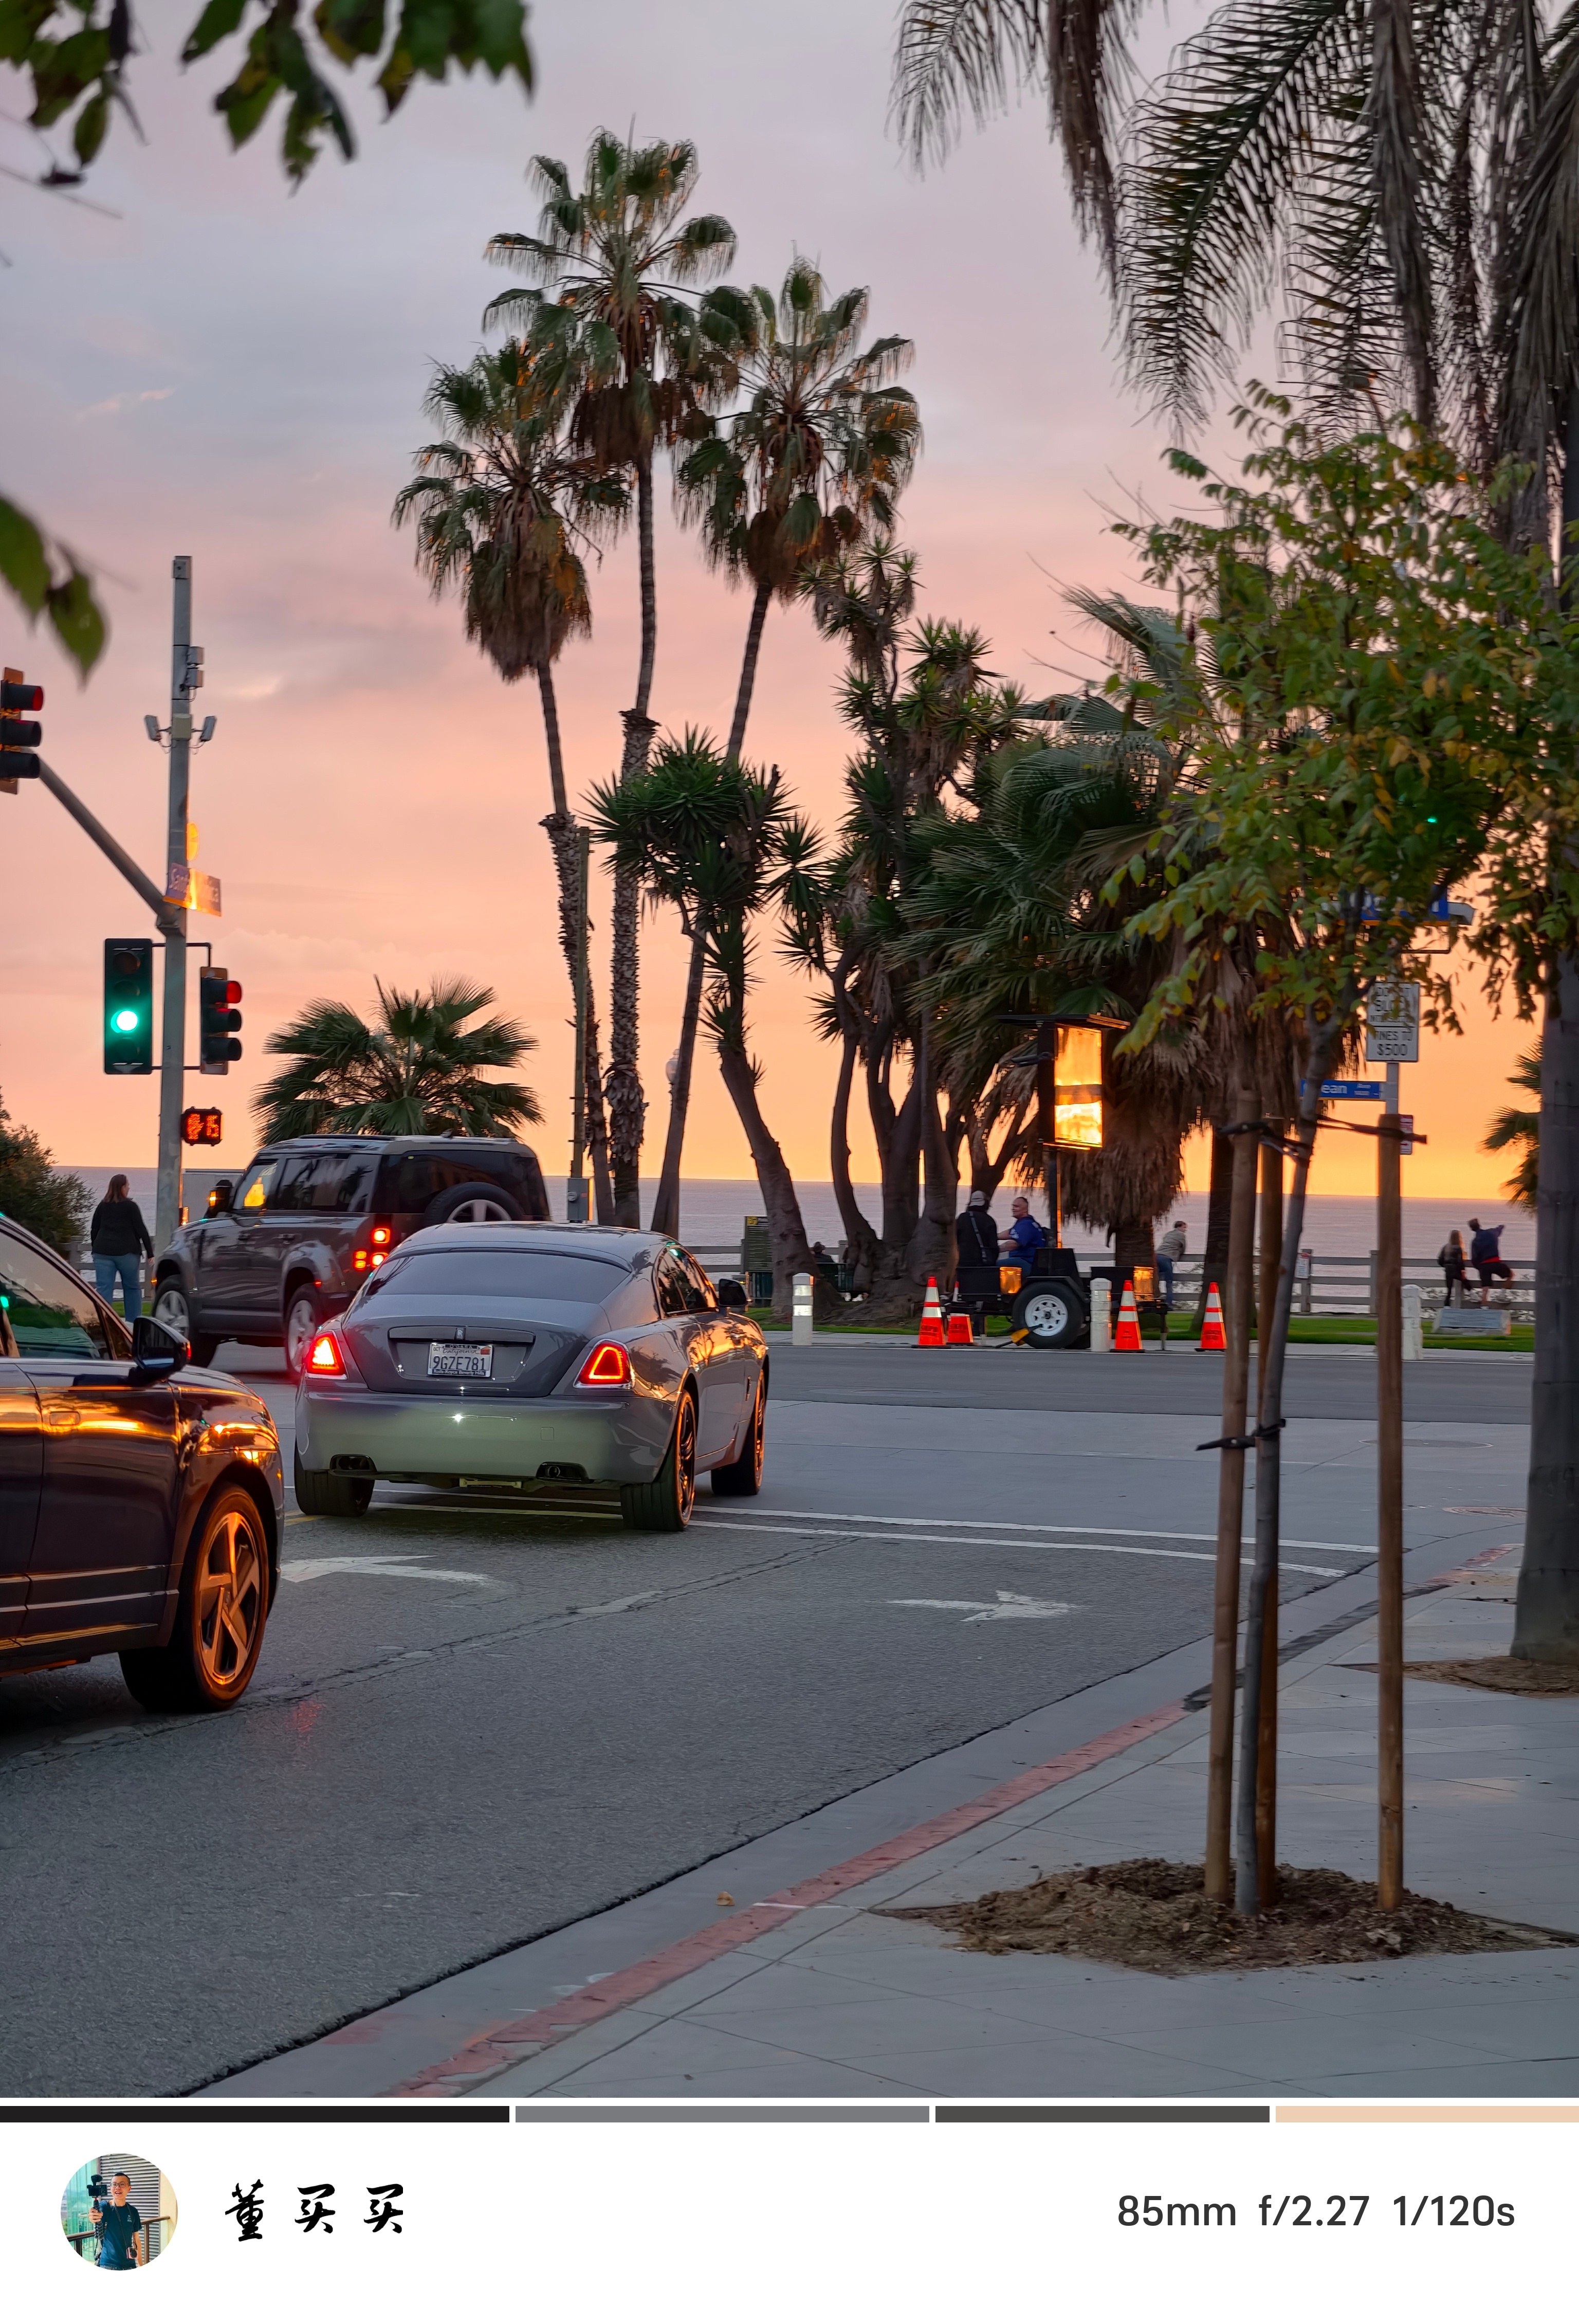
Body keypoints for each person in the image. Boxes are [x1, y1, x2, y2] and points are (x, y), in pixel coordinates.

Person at [89, 1175, 153, 1320]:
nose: (129, 1187)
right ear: (122, 1187)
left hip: (103, 1252)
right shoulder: (131, 1207)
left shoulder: (102, 1206)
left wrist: (95, 1247)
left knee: (104, 1289)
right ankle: (133, 1322)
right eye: (127, 1185)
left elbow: (94, 1229)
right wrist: (150, 1253)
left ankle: (104, 1322)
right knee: (132, 1288)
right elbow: (141, 1229)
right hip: (127, 1253)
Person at [90, 2172, 143, 2271]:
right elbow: (96, 2215)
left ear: (129, 2188)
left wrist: (140, 2264)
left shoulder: (133, 2211)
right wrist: (93, 2216)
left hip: (130, 2264)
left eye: (122, 2184)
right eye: (114, 2184)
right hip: (108, 2265)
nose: (118, 2187)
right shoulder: (105, 2207)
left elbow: (136, 2239)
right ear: (110, 2188)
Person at [1467, 1217, 1513, 1305]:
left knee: (1485, 1289)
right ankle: (1502, 1294)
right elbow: (1499, 1230)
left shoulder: (1475, 1241)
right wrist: (1501, 1227)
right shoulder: (1491, 1233)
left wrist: (1480, 1268)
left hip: (1484, 1266)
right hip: (1495, 1262)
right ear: (1479, 1225)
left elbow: (1474, 1258)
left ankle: (1484, 1307)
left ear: (1472, 1229)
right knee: (1510, 1275)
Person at [999, 1194, 1048, 1268]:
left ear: (1025, 1210)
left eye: (1017, 1207)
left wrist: (995, 1250)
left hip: (1026, 1261)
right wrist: (992, 1236)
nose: (1013, 1209)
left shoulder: (1027, 1225)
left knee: (992, 1266)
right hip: (1023, 1260)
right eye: (1013, 1206)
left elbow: (1014, 1244)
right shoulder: (1025, 1222)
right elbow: (1010, 1233)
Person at [1156, 1219, 1187, 1302]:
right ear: (1179, 1227)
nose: (1185, 1230)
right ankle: (1169, 1303)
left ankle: (1156, 1299)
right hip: (1166, 1258)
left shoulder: (1168, 1234)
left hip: (1157, 1255)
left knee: (1156, 1280)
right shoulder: (1181, 1235)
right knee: (1169, 1282)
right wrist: (1178, 1254)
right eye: (1184, 1228)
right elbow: (1183, 1248)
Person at [1438, 1228, 1467, 1306]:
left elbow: (1440, 1260)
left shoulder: (1446, 1247)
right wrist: (1463, 1270)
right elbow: (1460, 1261)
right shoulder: (1458, 1248)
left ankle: (1447, 1306)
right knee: (1465, 1282)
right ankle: (1472, 1294)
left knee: (1449, 1290)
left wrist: (1445, 1266)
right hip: (1456, 1270)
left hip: (1448, 1271)